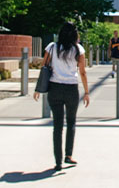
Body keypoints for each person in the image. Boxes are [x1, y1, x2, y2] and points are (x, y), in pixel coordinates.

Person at [33, 22, 91, 171]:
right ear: (75, 35)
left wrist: (38, 89)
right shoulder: (78, 49)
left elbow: (44, 67)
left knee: (57, 126)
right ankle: (68, 155)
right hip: (71, 88)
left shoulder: (52, 47)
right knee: (71, 122)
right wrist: (86, 92)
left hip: (55, 88)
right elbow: (83, 72)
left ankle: (58, 162)